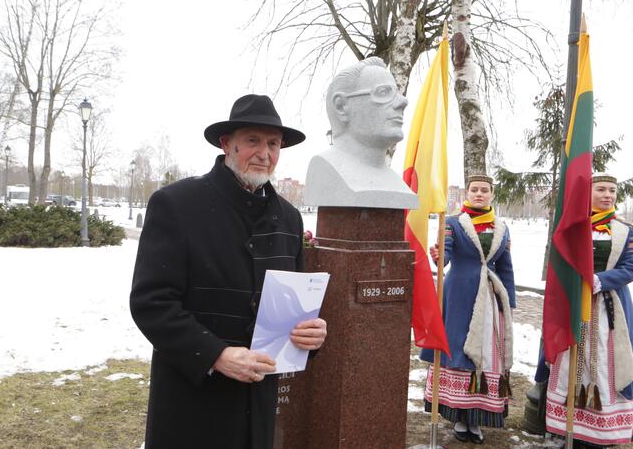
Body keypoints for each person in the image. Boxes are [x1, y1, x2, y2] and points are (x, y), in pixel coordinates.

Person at [130, 94, 328, 449]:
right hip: (192, 404)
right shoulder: (177, 204)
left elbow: (291, 306)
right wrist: (216, 356)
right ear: (227, 144)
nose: (264, 153)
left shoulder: (288, 218)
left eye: (273, 143)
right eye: (253, 140)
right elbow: (151, 303)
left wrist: (309, 336)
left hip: (258, 404)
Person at [536, 173, 633, 447]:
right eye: (601, 190)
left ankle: (601, 432)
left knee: (605, 366)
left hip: (610, 308)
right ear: (589, 193)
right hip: (573, 305)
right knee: (572, 361)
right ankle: (567, 427)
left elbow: (630, 268)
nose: (608, 195)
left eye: (612, 191)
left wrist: (599, 280)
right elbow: (559, 261)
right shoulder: (574, 225)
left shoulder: (627, 229)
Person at [421, 174, 516, 444]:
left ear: (491, 195)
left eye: (484, 190)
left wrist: (508, 301)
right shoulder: (452, 223)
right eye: (474, 190)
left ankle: (477, 417)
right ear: (467, 193)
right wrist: (439, 255)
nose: (479, 194)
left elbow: (506, 266)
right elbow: (447, 255)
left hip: (491, 298)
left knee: (486, 353)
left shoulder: (501, 228)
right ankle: (460, 417)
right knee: (460, 350)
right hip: (459, 296)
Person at [304, 56, 417, 209]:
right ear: (341, 106)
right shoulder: (325, 168)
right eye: (383, 92)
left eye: (397, 93)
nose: (402, 102)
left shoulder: (396, 183)